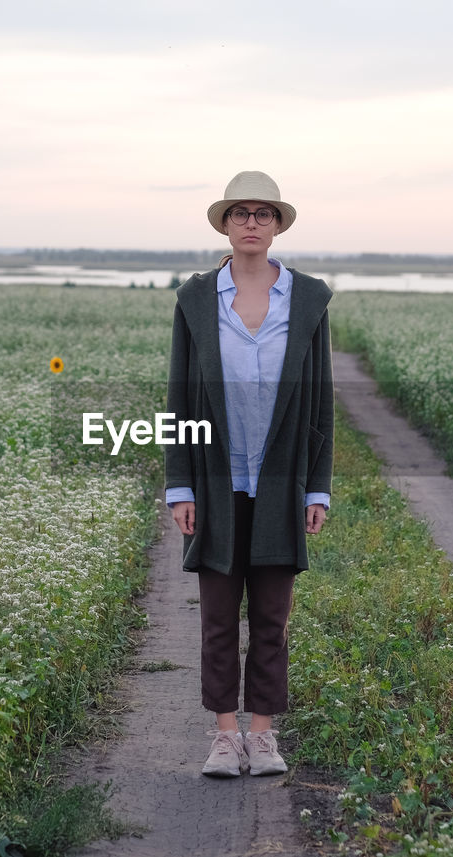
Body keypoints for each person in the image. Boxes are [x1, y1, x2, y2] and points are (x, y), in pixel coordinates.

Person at [164, 171, 334, 778]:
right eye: (242, 213)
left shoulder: (308, 300)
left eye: (265, 213)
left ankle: (262, 736)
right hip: (215, 482)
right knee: (216, 620)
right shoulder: (195, 300)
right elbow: (179, 398)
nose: (253, 223)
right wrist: (179, 484)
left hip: (281, 482)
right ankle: (224, 736)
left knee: (270, 619)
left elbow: (320, 402)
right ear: (226, 224)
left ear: (278, 225)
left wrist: (317, 487)